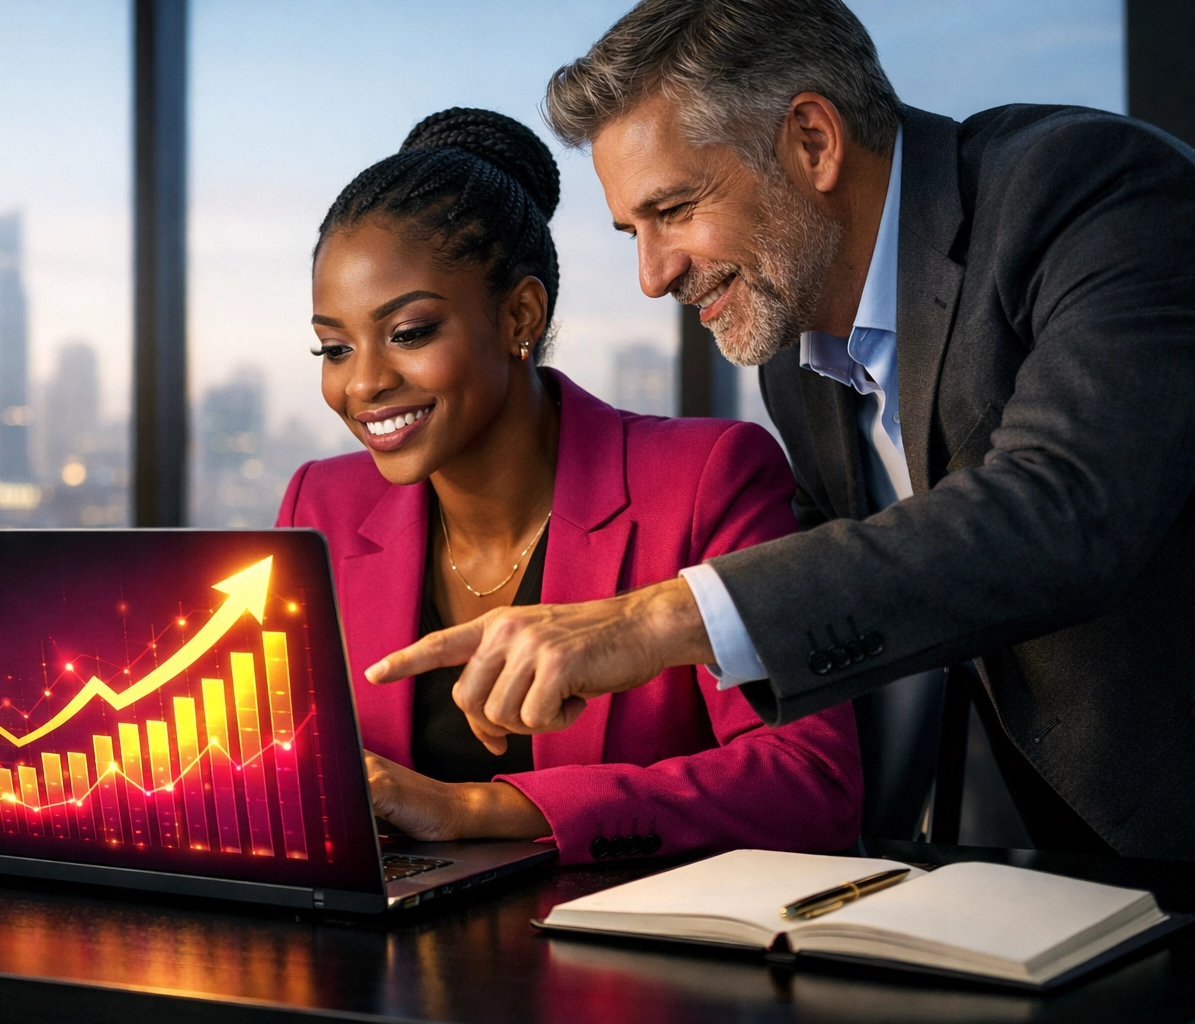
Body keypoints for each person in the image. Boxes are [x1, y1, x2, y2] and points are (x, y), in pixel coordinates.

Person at [366, 0, 1195, 860]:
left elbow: (1064, 511)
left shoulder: (1095, 192)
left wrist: (652, 620)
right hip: (1063, 860)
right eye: (632, 232)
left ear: (813, 141)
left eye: (674, 209)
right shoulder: (796, 360)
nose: (653, 276)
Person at [279, 107, 861, 863]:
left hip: (626, 931)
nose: (362, 384)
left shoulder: (704, 480)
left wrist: (477, 809)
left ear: (520, 315)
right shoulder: (321, 505)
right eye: (333, 348)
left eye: (409, 334)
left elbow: (810, 784)